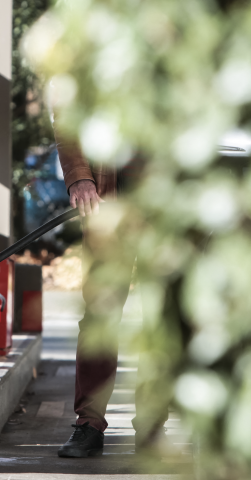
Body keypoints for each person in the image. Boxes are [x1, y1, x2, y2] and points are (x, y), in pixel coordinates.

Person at [52, 127, 171, 458]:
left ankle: (152, 426)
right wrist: (79, 176)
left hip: (164, 203)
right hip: (107, 200)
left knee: (161, 317)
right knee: (100, 313)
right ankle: (89, 423)